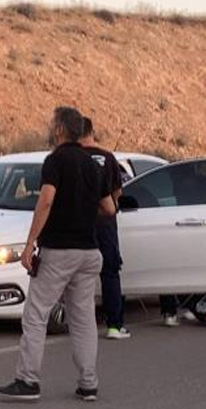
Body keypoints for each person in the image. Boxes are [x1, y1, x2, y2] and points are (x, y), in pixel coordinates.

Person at [0, 107, 115, 402]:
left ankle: (27, 379)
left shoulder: (55, 161)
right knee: (83, 318)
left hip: (59, 250)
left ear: (60, 129)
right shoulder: (93, 166)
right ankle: (88, 383)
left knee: (35, 314)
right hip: (89, 252)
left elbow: (46, 202)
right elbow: (109, 208)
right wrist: (84, 213)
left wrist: (30, 242)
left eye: (52, 123)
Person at [78, 118, 130, 339]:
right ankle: (114, 326)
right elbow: (118, 193)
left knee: (79, 276)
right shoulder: (108, 158)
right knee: (109, 272)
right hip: (105, 224)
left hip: (77, 224)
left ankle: (82, 325)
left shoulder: (70, 159)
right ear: (92, 131)